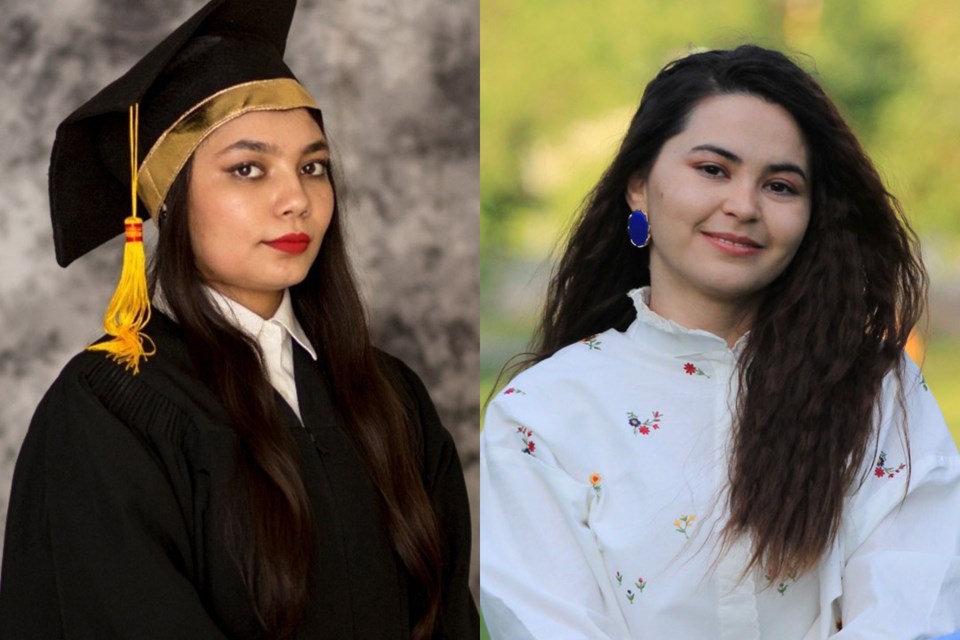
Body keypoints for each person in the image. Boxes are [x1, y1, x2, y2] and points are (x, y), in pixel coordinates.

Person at [0, 1, 478, 638]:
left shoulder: (391, 398)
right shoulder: (110, 408)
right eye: (247, 169)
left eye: (313, 167)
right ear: (167, 201)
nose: (296, 199)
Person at [480, 45, 960, 638]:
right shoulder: (540, 417)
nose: (743, 206)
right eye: (713, 170)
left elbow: (912, 608)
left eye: (780, 186)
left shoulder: (878, 390)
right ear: (638, 186)